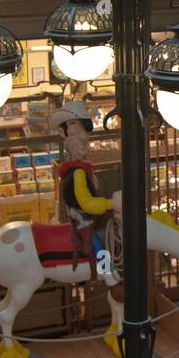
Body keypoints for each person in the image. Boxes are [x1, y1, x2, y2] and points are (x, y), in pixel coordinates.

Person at [51, 100, 120, 265]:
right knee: (99, 244)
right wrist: (112, 203)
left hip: (87, 217)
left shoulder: (81, 169)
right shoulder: (78, 172)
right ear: (63, 133)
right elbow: (86, 202)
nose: (83, 140)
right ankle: (108, 277)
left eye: (85, 134)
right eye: (75, 134)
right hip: (82, 219)